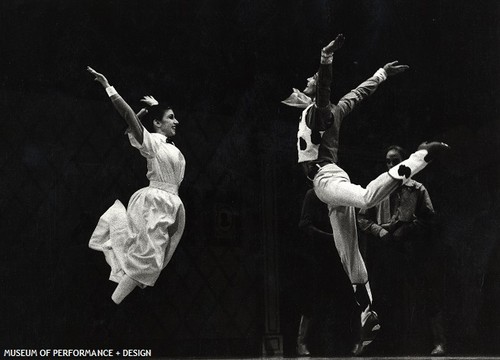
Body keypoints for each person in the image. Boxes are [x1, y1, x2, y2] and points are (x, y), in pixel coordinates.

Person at [282, 34, 449, 355]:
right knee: (348, 251)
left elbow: (325, 92)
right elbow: (359, 94)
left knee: (365, 199)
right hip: (325, 186)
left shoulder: (322, 112)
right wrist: (382, 73)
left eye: (312, 79)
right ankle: (366, 312)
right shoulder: (329, 110)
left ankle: (420, 157)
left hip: (325, 178)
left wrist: (325, 60)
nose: (308, 80)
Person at [86, 66, 186, 305]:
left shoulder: (170, 147)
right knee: (148, 261)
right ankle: (111, 303)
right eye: (170, 118)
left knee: (153, 263)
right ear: (156, 124)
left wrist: (156, 105)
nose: (176, 121)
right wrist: (108, 87)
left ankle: (112, 301)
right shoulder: (152, 143)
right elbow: (129, 116)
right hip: (155, 202)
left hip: (171, 204)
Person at [358, 145, 447, 355]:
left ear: (405, 160)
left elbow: (429, 218)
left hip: (410, 247)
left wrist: (408, 229)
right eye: (388, 161)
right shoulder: (378, 188)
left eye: (395, 159)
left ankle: (437, 341)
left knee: (422, 292)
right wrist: (380, 232)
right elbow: (362, 217)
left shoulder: (416, 188)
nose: (392, 164)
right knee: (377, 295)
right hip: (384, 249)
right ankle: (371, 342)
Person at [296, 188, 334, 356]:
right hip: (316, 253)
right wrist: (328, 237)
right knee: (312, 297)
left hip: (336, 252)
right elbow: (305, 224)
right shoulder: (312, 194)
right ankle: (302, 340)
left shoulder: (338, 193)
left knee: (335, 296)